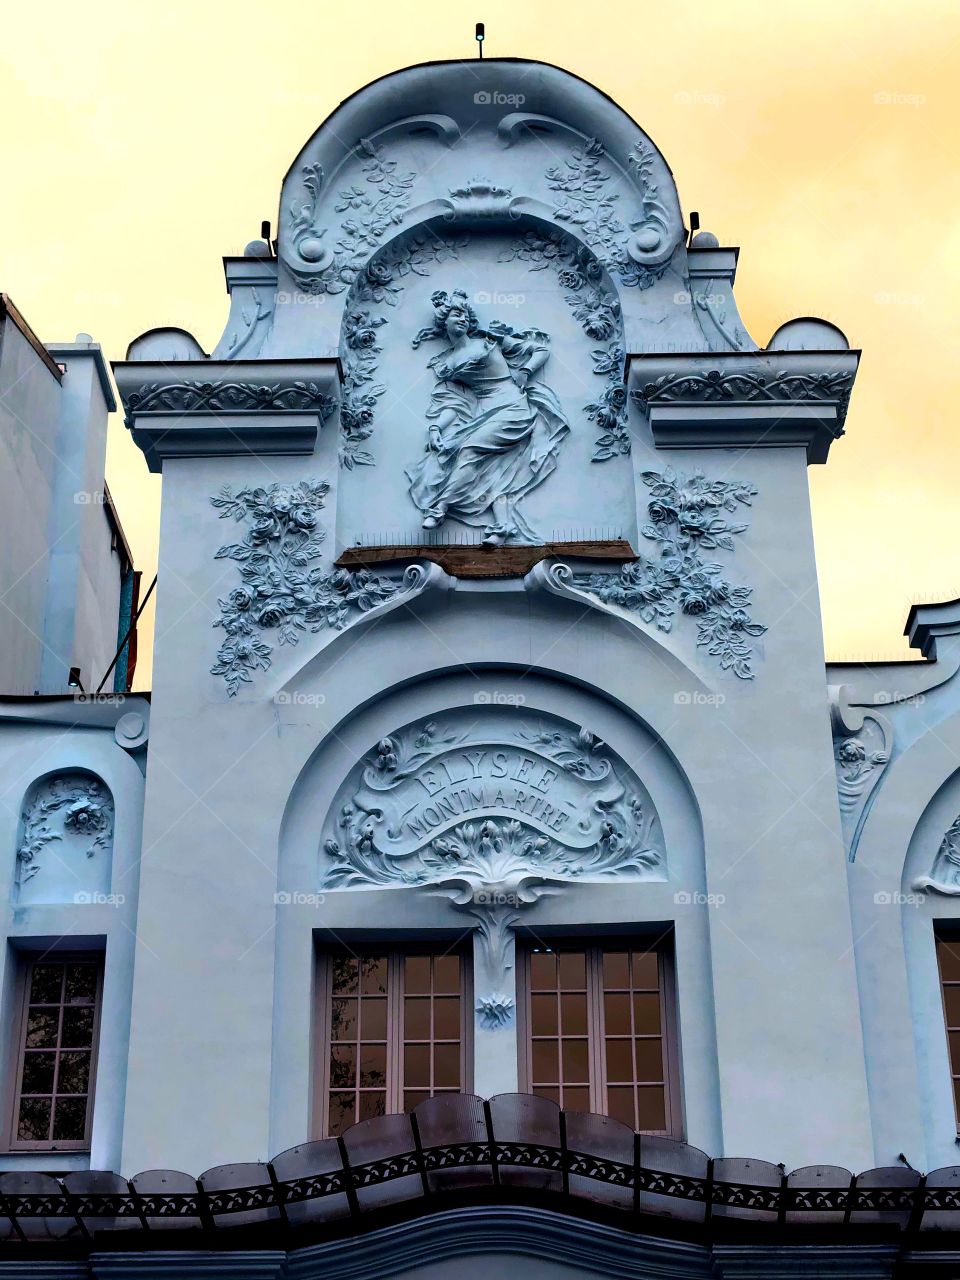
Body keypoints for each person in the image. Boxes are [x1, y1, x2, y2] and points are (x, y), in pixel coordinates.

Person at [406, 289, 570, 545]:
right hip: (483, 414)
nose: (462, 319)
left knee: (469, 451)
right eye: (456, 314)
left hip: (513, 407)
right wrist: (436, 428)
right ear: (443, 321)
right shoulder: (446, 363)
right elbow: (456, 403)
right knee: (494, 471)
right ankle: (502, 527)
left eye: (465, 315)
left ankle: (440, 507)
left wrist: (525, 371)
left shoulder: (489, 340)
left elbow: (540, 350)